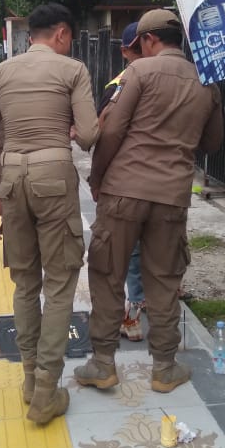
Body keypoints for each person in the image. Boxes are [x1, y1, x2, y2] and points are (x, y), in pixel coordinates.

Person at [76, 8, 223, 394]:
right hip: (172, 197)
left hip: (124, 191)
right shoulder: (206, 80)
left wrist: (97, 177)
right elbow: (212, 144)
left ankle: (103, 364)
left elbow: (113, 132)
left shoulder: (137, 73)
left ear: (149, 40)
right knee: (164, 280)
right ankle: (165, 368)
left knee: (108, 275)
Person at [0, 3, 99, 425]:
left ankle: (29, 380)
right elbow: (89, 135)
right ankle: (46, 390)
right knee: (60, 283)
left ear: (32, 35)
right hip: (53, 177)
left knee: (25, 282)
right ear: (62, 34)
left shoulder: (0, 73)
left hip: (10, 178)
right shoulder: (73, 70)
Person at [97, 22, 146, 342]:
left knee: (127, 249)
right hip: (167, 182)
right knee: (155, 248)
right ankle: (148, 307)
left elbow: (103, 133)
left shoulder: (117, 86)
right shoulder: (185, 80)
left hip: (126, 181)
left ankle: (129, 315)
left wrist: (97, 177)